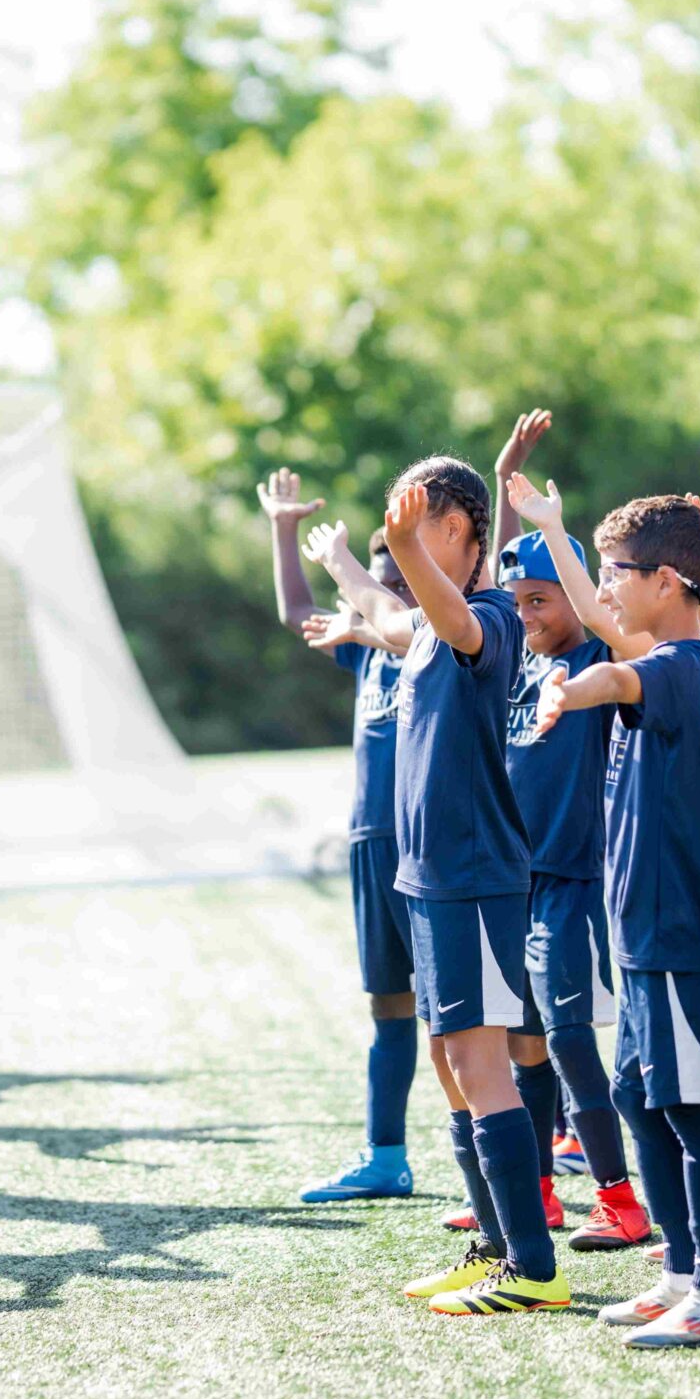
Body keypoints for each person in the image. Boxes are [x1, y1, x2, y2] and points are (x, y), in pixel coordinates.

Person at [303, 456, 564, 1315]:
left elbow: (440, 611)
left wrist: (405, 542)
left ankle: (532, 1264)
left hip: (476, 876)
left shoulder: (486, 616)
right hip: (429, 880)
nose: (419, 543)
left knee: (482, 1064)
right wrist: (348, 562)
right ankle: (494, 1247)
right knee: (454, 1065)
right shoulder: (423, 627)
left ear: (467, 531)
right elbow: (388, 610)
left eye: (435, 526)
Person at [534, 495, 700, 1346]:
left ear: (668, 582)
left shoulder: (674, 666)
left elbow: (616, 675)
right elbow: (617, 648)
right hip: (648, 929)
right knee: (640, 1093)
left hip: (675, 928)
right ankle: (679, 1268)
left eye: (617, 573)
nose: (606, 590)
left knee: (692, 1107)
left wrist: (570, 689)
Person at [485, 495, 649, 1253]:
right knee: (522, 1039)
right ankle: (543, 1191)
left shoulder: (594, 660)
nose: (526, 615)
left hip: (573, 880)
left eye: (540, 601)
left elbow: (596, 611)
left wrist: (550, 527)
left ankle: (620, 1197)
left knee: (571, 1037)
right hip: (515, 883)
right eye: (517, 603)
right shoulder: (522, 666)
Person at [260, 468, 421, 1203]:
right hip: (369, 839)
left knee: (477, 1014)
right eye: (377, 579)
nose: (377, 594)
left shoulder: (442, 641)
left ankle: (541, 1156)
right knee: (388, 1003)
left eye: (395, 583)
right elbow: (299, 612)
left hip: (431, 845)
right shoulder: (363, 648)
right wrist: (284, 529)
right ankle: (386, 1156)